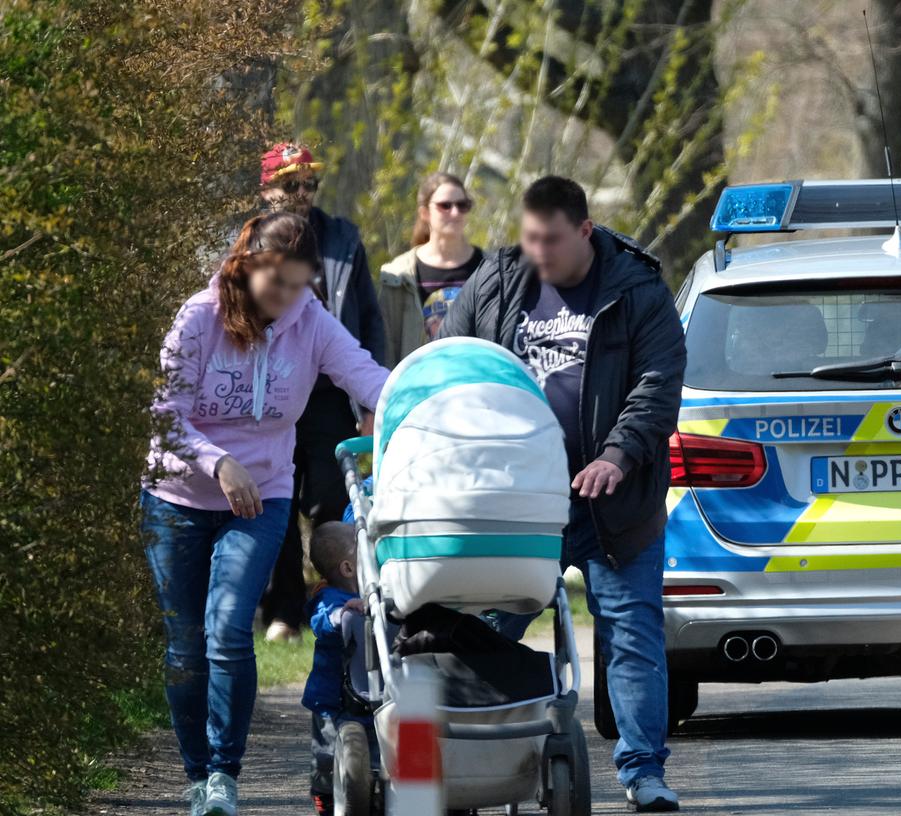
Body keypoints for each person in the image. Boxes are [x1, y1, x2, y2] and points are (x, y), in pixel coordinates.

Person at [440, 176, 686, 812]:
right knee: (484, 628)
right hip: (519, 501)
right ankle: (466, 764)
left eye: (550, 240)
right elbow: (453, 364)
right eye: (528, 237)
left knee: (631, 634)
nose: (537, 252)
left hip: (614, 502)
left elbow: (658, 385)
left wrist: (618, 455)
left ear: (584, 231)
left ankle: (643, 773)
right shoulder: (495, 282)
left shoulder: (636, 288)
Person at [141, 212, 390, 816]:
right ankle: (196, 773)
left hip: (263, 496)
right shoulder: (199, 317)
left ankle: (224, 777)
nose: (286, 299)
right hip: (179, 497)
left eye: (299, 286)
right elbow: (166, 415)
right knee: (185, 645)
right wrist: (220, 463)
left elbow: (371, 378)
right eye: (276, 283)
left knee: (228, 630)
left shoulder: (310, 322)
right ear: (247, 263)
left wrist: (437, 402)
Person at [254, 142, 387, 643]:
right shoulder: (251, 243)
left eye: (310, 183)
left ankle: (337, 606)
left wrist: (374, 403)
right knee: (278, 504)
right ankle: (285, 613)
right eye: (291, 184)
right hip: (273, 395)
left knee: (331, 503)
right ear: (266, 190)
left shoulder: (343, 237)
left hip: (333, 393)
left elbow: (369, 322)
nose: (303, 193)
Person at [302, 522, 373, 816]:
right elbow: (321, 621)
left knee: (369, 750)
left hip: (366, 695)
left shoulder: (372, 594)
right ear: (347, 568)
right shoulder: (328, 597)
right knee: (326, 755)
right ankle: (325, 797)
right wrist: (342, 614)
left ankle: (370, 794)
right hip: (331, 699)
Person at [379, 172, 484, 366]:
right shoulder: (397, 275)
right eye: (445, 205)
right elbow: (387, 346)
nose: (455, 212)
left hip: (475, 386)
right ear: (424, 213)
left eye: (462, 205)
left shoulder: (491, 269)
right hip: (419, 389)